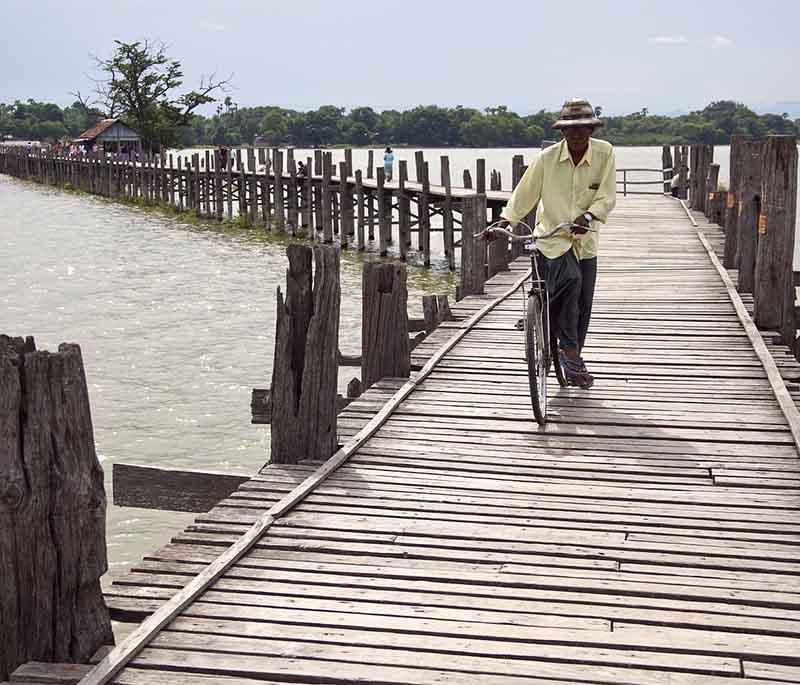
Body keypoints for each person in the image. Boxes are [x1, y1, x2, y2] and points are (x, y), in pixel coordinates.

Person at [489, 98, 616, 389]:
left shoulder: (604, 153)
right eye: (570, 129)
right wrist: (505, 221)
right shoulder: (546, 159)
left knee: (583, 304)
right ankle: (569, 353)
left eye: (582, 128)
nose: (576, 134)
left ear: (591, 129)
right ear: (562, 131)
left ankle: (572, 355)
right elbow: (525, 194)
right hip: (552, 237)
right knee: (569, 279)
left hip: (585, 238)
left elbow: (607, 195)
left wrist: (589, 215)